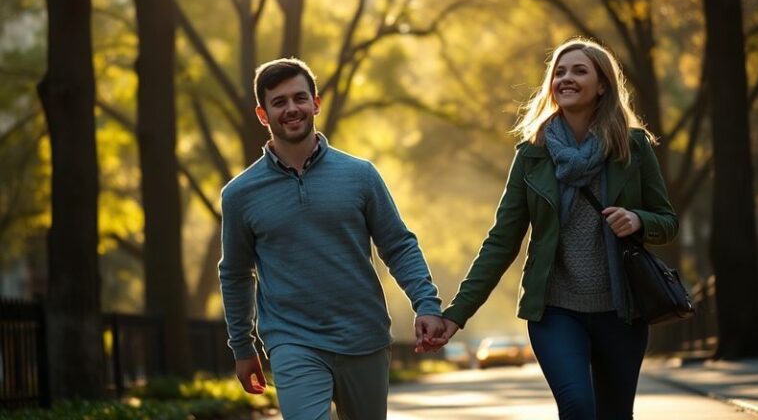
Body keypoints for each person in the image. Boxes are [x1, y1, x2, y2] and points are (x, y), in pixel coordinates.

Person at [438, 38, 678, 420]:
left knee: (615, 414)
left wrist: (639, 220)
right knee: (578, 407)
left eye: (579, 70)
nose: (565, 78)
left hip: (622, 312)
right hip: (555, 312)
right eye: (559, 72)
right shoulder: (532, 155)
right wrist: (456, 314)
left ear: (603, 85)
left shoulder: (632, 148)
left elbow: (667, 222)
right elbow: (501, 241)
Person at [218, 58, 444, 420]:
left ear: (316, 103)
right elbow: (235, 273)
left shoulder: (360, 176)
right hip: (292, 340)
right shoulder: (240, 194)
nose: (291, 109)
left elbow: (398, 244)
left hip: (364, 336)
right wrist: (243, 347)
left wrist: (426, 304)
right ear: (263, 114)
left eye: (299, 98)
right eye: (279, 102)